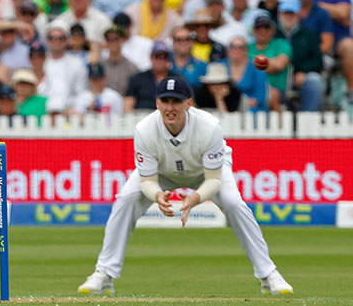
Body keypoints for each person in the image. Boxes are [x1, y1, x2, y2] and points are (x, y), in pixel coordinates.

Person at [77, 75, 294, 296]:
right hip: (162, 173)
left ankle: (269, 275)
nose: (171, 108)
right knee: (125, 199)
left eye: (176, 101)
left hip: (206, 172)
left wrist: (195, 198)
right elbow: (148, 181)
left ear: (188, 103)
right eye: (166, 101)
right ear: (157, 103)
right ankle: (104, 272)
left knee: (234, 203)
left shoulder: (209, 127)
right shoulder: (144, 129)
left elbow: (214, 179)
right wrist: (157, 195)